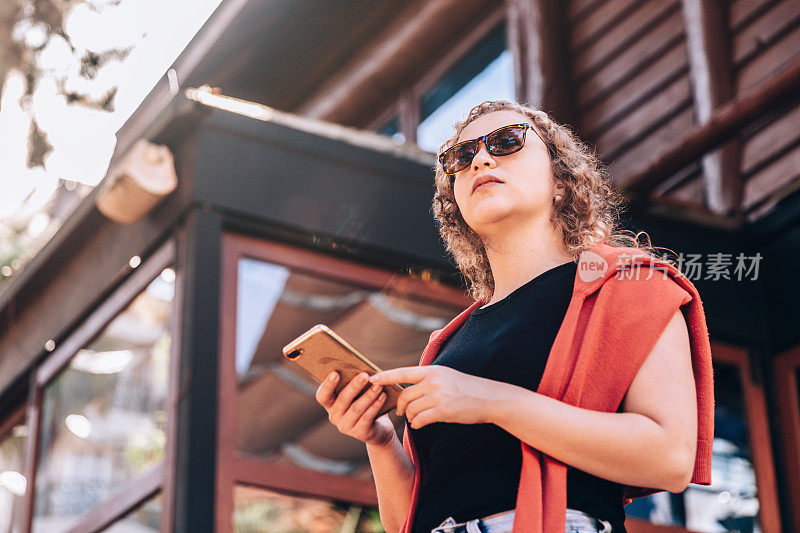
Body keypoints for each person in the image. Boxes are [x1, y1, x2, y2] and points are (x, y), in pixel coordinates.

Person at [315, 99, 706, 533]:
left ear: (561, 180)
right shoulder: (447, 343)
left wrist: (489, 402)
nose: (480, 159)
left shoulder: (627, 284)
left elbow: (669, 459)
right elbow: (409, 518)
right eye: (461, 158)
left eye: (507, 142)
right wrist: (382, 441)